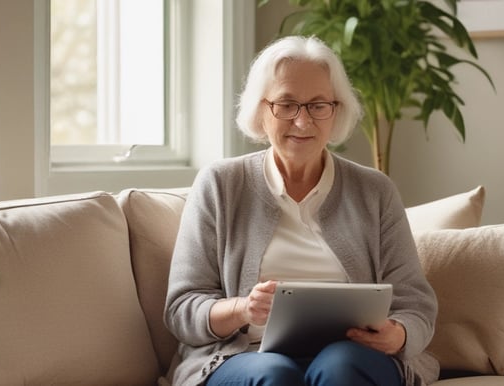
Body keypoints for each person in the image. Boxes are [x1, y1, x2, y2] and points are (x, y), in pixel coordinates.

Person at [164, 35, 438, 386]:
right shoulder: (220, 184)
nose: (302, 121)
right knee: (275, 374)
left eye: (318, 105)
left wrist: (397, 334)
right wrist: (242, 309)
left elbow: (415, 303)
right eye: (286, 104)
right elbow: (181, 308)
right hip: (246, 356)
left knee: (340, 366)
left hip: (351, 357)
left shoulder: (375, 191)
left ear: (336, 109)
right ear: (262, 110)